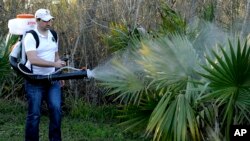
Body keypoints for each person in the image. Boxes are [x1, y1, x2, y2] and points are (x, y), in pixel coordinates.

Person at [23, 8, 66, 141]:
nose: (49, 23)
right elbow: (33, 59)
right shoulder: (31, 36)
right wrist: (54, 65)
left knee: (56, 109)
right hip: (35, 81)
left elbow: (55, 55)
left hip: (52, 80)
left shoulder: (53, 34)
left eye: (50, 20)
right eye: (46, 20)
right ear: (37, 20)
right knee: (34, 114)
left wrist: (60, 73)